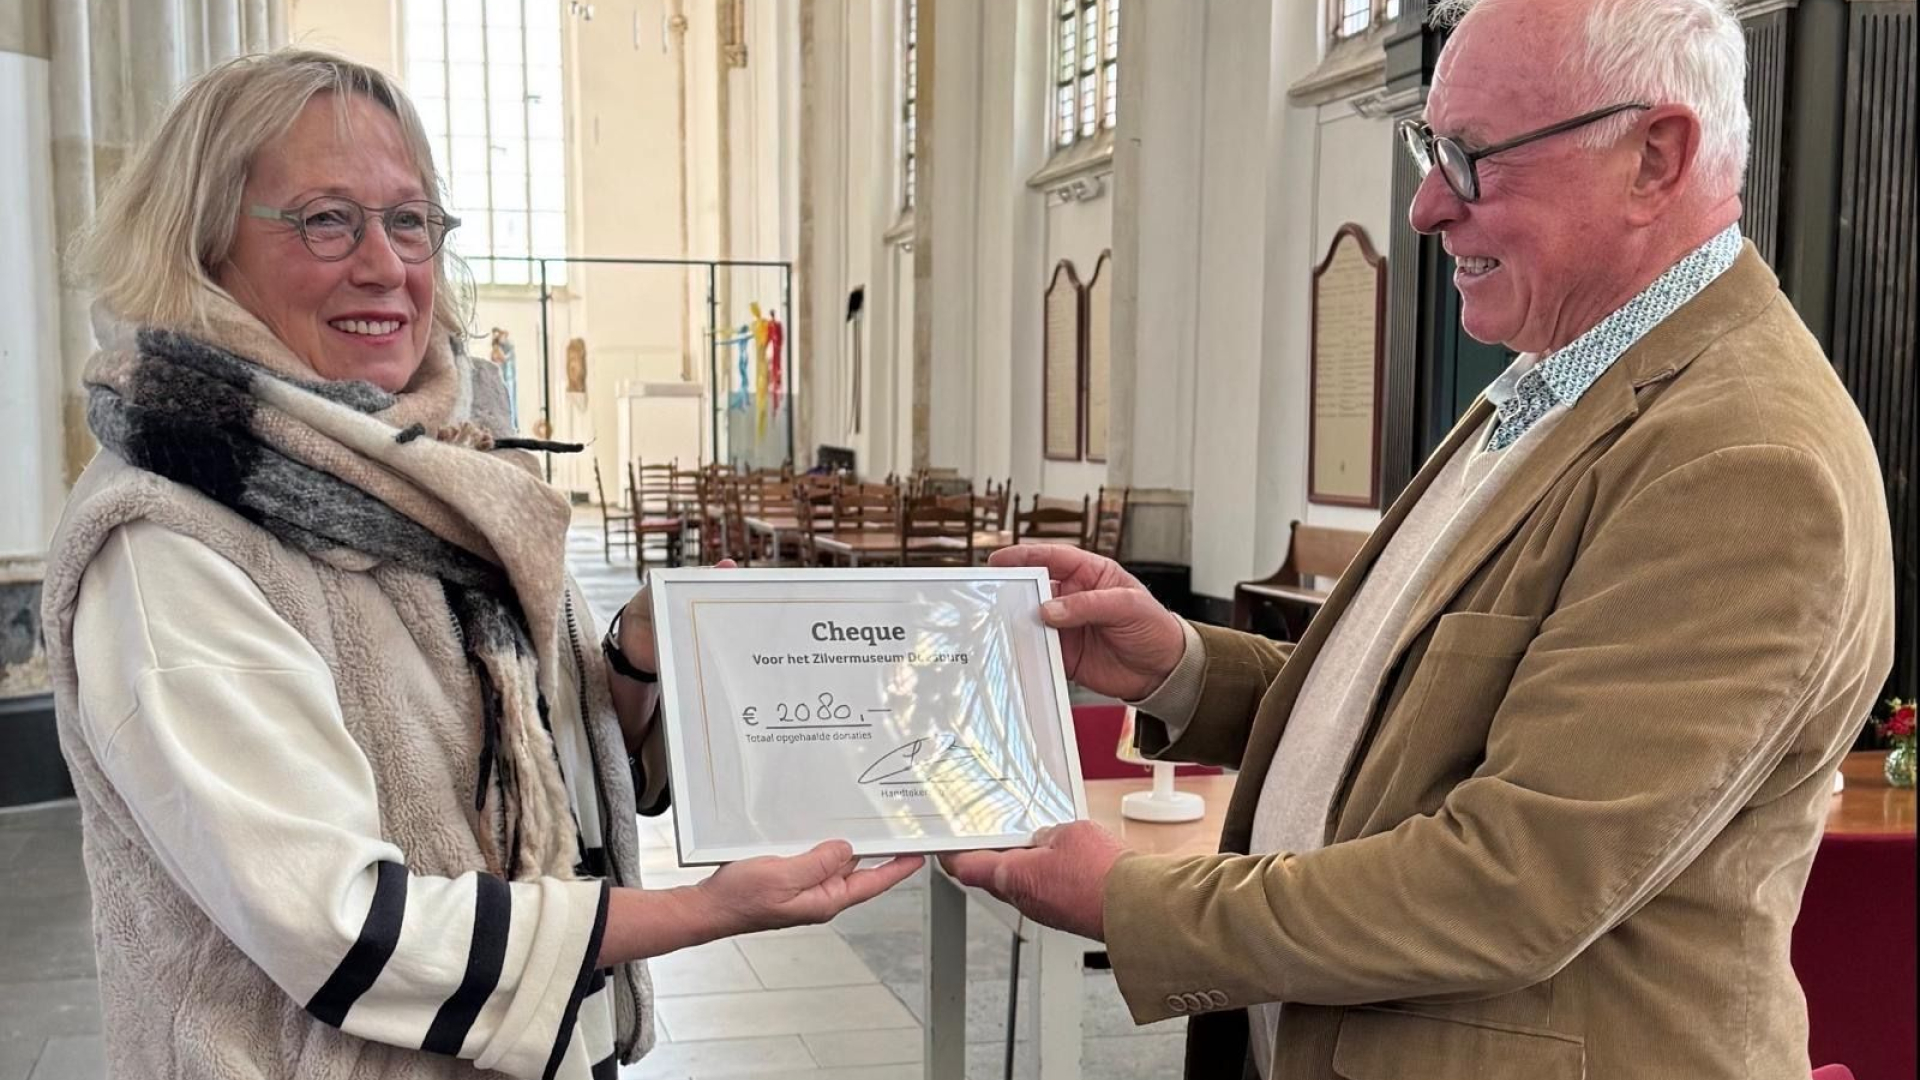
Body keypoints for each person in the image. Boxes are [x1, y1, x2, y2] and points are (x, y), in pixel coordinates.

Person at [943, 1, 1896, 1077]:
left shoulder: (1742, 459)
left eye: (1474, 158)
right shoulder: (1553, 380)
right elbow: (1410, 726)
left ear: (1655, 157)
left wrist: (1130, 900)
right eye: (1430, 149)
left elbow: (1512, 882)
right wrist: (1181, 667)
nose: (1428, 205)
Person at [42, 51, 920, 1080]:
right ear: (202, 247)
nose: (384, 265)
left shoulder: (452, 477)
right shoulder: (169, 536)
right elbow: (338, 926)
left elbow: (537, 764)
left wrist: (632, 659)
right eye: (327, 220)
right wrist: (701, 911)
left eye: (410, 220)